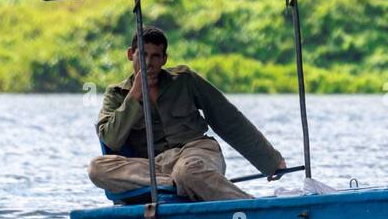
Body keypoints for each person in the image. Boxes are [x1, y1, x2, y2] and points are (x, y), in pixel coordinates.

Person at [88, 25, 286, 201]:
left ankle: (251, 207)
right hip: (153, 167)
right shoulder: (116, 94)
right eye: (142, 55)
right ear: (131, 54)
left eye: (155, 56)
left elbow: (228, 119)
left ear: (164, 59)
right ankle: (176, 183)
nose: (148, 63)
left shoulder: (184, 80)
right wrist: (134, 95)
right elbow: (111, 139)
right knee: (97, 168)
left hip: (196, 153)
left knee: (188, 171)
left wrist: (271, 161)